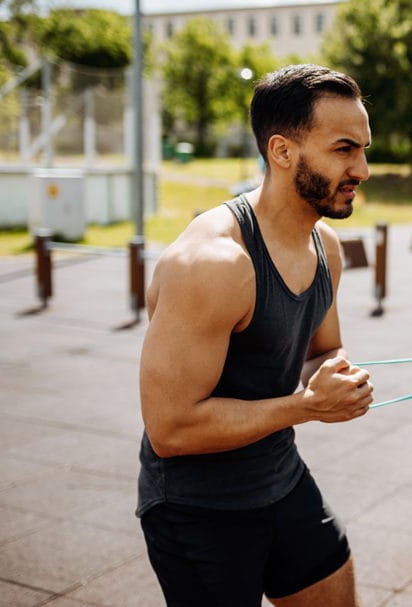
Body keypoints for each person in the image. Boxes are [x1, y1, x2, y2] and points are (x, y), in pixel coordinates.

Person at [136, 64, 375, 606]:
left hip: (280, 477)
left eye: (363, 149)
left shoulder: (325, 248)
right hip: (197, 509)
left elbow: (323, 349)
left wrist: (336, 377)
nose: (362, 168)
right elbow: (171, 427)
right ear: (282, 151)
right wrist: (307, 407)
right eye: (343, 149)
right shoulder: (215, 264)